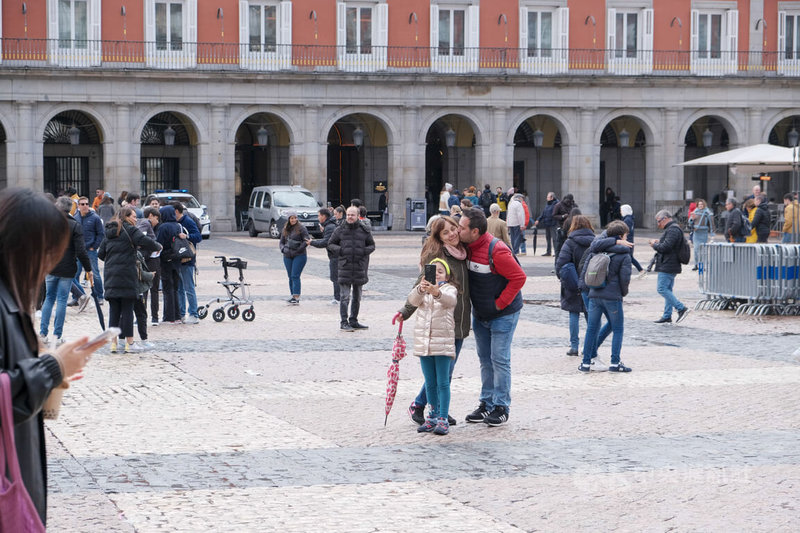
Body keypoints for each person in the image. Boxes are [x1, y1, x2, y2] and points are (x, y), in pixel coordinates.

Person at [0, 188, 102, 526]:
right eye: (46, 253)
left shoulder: (10, 298)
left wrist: (50, 373)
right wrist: (51, 367)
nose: (48, 265)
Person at [395, 216, 471, 427]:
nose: (452, 234)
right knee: (443, 373)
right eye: (445, 233)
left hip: (460, 318)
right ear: (439, 237)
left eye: (453, 229)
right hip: (441, 321)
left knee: (447, 371)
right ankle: (424, 407)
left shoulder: (464, 252)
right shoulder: (437, 255)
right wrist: (406, 311)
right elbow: (421, 284)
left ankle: (438, 411)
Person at [459, 208, 526, 426]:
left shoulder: (496, 250)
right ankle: (486, 404)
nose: (458, 230)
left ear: (475, 231)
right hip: (480, 313)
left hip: (503, 314)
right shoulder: (466, 248)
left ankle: (501, 406)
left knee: (499, 359)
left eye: (462, 227)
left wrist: (499, 304)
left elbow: (518, 277)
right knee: (485, 360)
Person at [406, 259, 459, 435]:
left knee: (443, 382)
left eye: (441, 271)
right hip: (425, 344)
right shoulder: (422, 290)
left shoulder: (449, 289)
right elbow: (412, 301)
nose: (436, 274)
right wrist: (421, 289)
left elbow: (450, 301)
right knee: (430, 383)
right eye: (433, 270)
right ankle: (432, 416)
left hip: (442, 344)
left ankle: (443, 418)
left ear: (447, 276)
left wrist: (436, 292)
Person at [98, 206, 161, 353]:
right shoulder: (131, 230)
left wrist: (113, 258)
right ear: (126, 217)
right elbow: (146, 241)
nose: (136, 219)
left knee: (114, 310)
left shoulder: (109, 231)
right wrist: (158, 246)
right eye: (133, 216)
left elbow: (101, 254)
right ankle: (130, 343)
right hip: (127, 275)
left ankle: (114, 344)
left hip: (111, 276)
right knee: (127, 309)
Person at [578, 220, 632, 373]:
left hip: (594, 293)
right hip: (612, 297)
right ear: (621, 236)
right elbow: (625, 279)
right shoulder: (624, 254)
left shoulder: (598, 250)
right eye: (626, 236)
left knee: (591, 328)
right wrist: (622, 293)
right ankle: (615, 362)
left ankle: (586, 363)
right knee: (618, 328)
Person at [40, 196, 93, 347]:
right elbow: (81, 251)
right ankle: (57, 335)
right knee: (62, 300)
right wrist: (88, 269)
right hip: (68, 267)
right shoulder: (74, 225)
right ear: (71, 209)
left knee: (49, 299)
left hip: (51, 266)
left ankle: (43, 334)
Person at [328, 206, 375, 331]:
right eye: (348, 214)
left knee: (357, 297)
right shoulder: (340, 229)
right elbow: (330, 244)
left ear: (357, 216)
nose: (349, 217)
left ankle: (353, 320)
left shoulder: (364, 230)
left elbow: (372, 245)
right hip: (345, 267)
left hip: (359, 267)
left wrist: (363, 252)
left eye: (352, 215)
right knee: (344, 297)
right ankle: (344, 322)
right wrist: (341, 251)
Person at [555, 215, 595, 357]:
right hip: (591, 282)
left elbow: (560, 263)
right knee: (590, 315)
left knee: (574, 313)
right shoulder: (595, 241)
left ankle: (574, 346)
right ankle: (591, 345)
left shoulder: (569, 242)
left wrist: (564, 279)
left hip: (572, 282)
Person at [649, 210, 690, 324]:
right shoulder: (672, 229)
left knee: (662, 289)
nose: (658, 224)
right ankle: (667, 315)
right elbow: (668, 244)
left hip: (669, 264)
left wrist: (655, 245)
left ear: (665, 218)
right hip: (669, 263)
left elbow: (665, 247)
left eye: (658, 221)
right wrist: (660, 241)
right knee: (667, 289)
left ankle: (681, 308)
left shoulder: (673, 229)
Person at [172, 202, 201, 323]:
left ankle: (194, 314)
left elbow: (198, 236)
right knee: (180, 288)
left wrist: (187, 236)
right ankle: (181, 313)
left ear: (177, 212)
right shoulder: (175, 223)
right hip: (179, 258)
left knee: (189, 287)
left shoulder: (187, 221)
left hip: (187, 259)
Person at [73, 196, 105, 300]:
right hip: (78, 251)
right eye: (82, 204)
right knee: (75, 274)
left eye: (87, 204)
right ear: (78, 206)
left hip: (90, 250)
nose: (85, 206)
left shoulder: (95, 218)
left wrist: (94, 246)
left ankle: (100, 296)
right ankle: (77, 297)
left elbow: (101, 234)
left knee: (95, 274)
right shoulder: (75, 217)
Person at [156, 205, 183, 324]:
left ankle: (169, 316)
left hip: (166, 259)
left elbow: (159, 244)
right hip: (176, 259)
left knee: (167, 288)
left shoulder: (163, 227)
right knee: (175, 288)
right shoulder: (178, 225)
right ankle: (177, 315)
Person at [309, 208, 340, 304]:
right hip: (335, 255)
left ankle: (338, 298)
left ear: (324, 216)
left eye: (319, 215)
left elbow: (326, 242)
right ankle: (339, 297)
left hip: (335, 255)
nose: (318, 217)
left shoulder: (330, 226)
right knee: (336, 277)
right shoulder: (329, 225)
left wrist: (312, 242)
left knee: (335, 278)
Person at [138, 206, 162, 332]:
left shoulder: (144, 224)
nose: (157, 221)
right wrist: (156, 246)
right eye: (156, 218)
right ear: (151, 216)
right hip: (151, 260)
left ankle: (146, 317)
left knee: (146, 290)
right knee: (151, 289)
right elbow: (142, 239)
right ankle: (153, 317)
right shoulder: (145, 223)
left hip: (148, 260)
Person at [279, 210, 310, 305]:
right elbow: (281, 242)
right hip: (287, 255)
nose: (294, 220)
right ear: (288, 219)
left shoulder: (301, 228)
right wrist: (283, 249)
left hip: (299, 255)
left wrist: (299, 249)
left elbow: (306, 240)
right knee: (290, 276)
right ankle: (292, 295)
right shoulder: (285, 229)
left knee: (295, 275)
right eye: (292, 218)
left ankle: (296, 297)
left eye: (295, 218)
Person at [687, 198, 714, 271]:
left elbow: (711, 223)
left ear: (704, 204)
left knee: (702, 251)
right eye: (699, 204)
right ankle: (696, 265)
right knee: (696, 250)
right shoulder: (695, 211)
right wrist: (692, 218)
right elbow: (690, 222)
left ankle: (701, 266)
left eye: (701, 204)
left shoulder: (707, 212)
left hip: (703, 233)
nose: (700, 206)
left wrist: (712, 234)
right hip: (696, 233)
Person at [552, 194, 577, 259]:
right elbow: (554, 215)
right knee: (559, 247)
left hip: (572, 228)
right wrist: (563, 216)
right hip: (561, 228)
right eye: (568, 202)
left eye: (570, 202)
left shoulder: (574, 205)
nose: (569, 204)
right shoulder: (558, 205)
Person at [533, 192, 558, 256]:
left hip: (553, 224)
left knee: (555, 239)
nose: (547, 198)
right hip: (547, 224)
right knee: (548, 238)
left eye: (548, 197)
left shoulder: (556, 204)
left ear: (552, 198)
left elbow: (554, 215)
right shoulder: (548, 204)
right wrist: (538, 219)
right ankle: (548, 251)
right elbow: (543, 213)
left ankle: (556, 252)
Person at [619, 204, 643, 272]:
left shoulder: (627, 220)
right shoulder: (629, 219)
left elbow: (625, 231)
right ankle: (641, 270)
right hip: (629, 241)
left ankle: (641, 271)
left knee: (629, 257)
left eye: (621, 210)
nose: (620, 212)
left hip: (627, 241)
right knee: (629, 257)